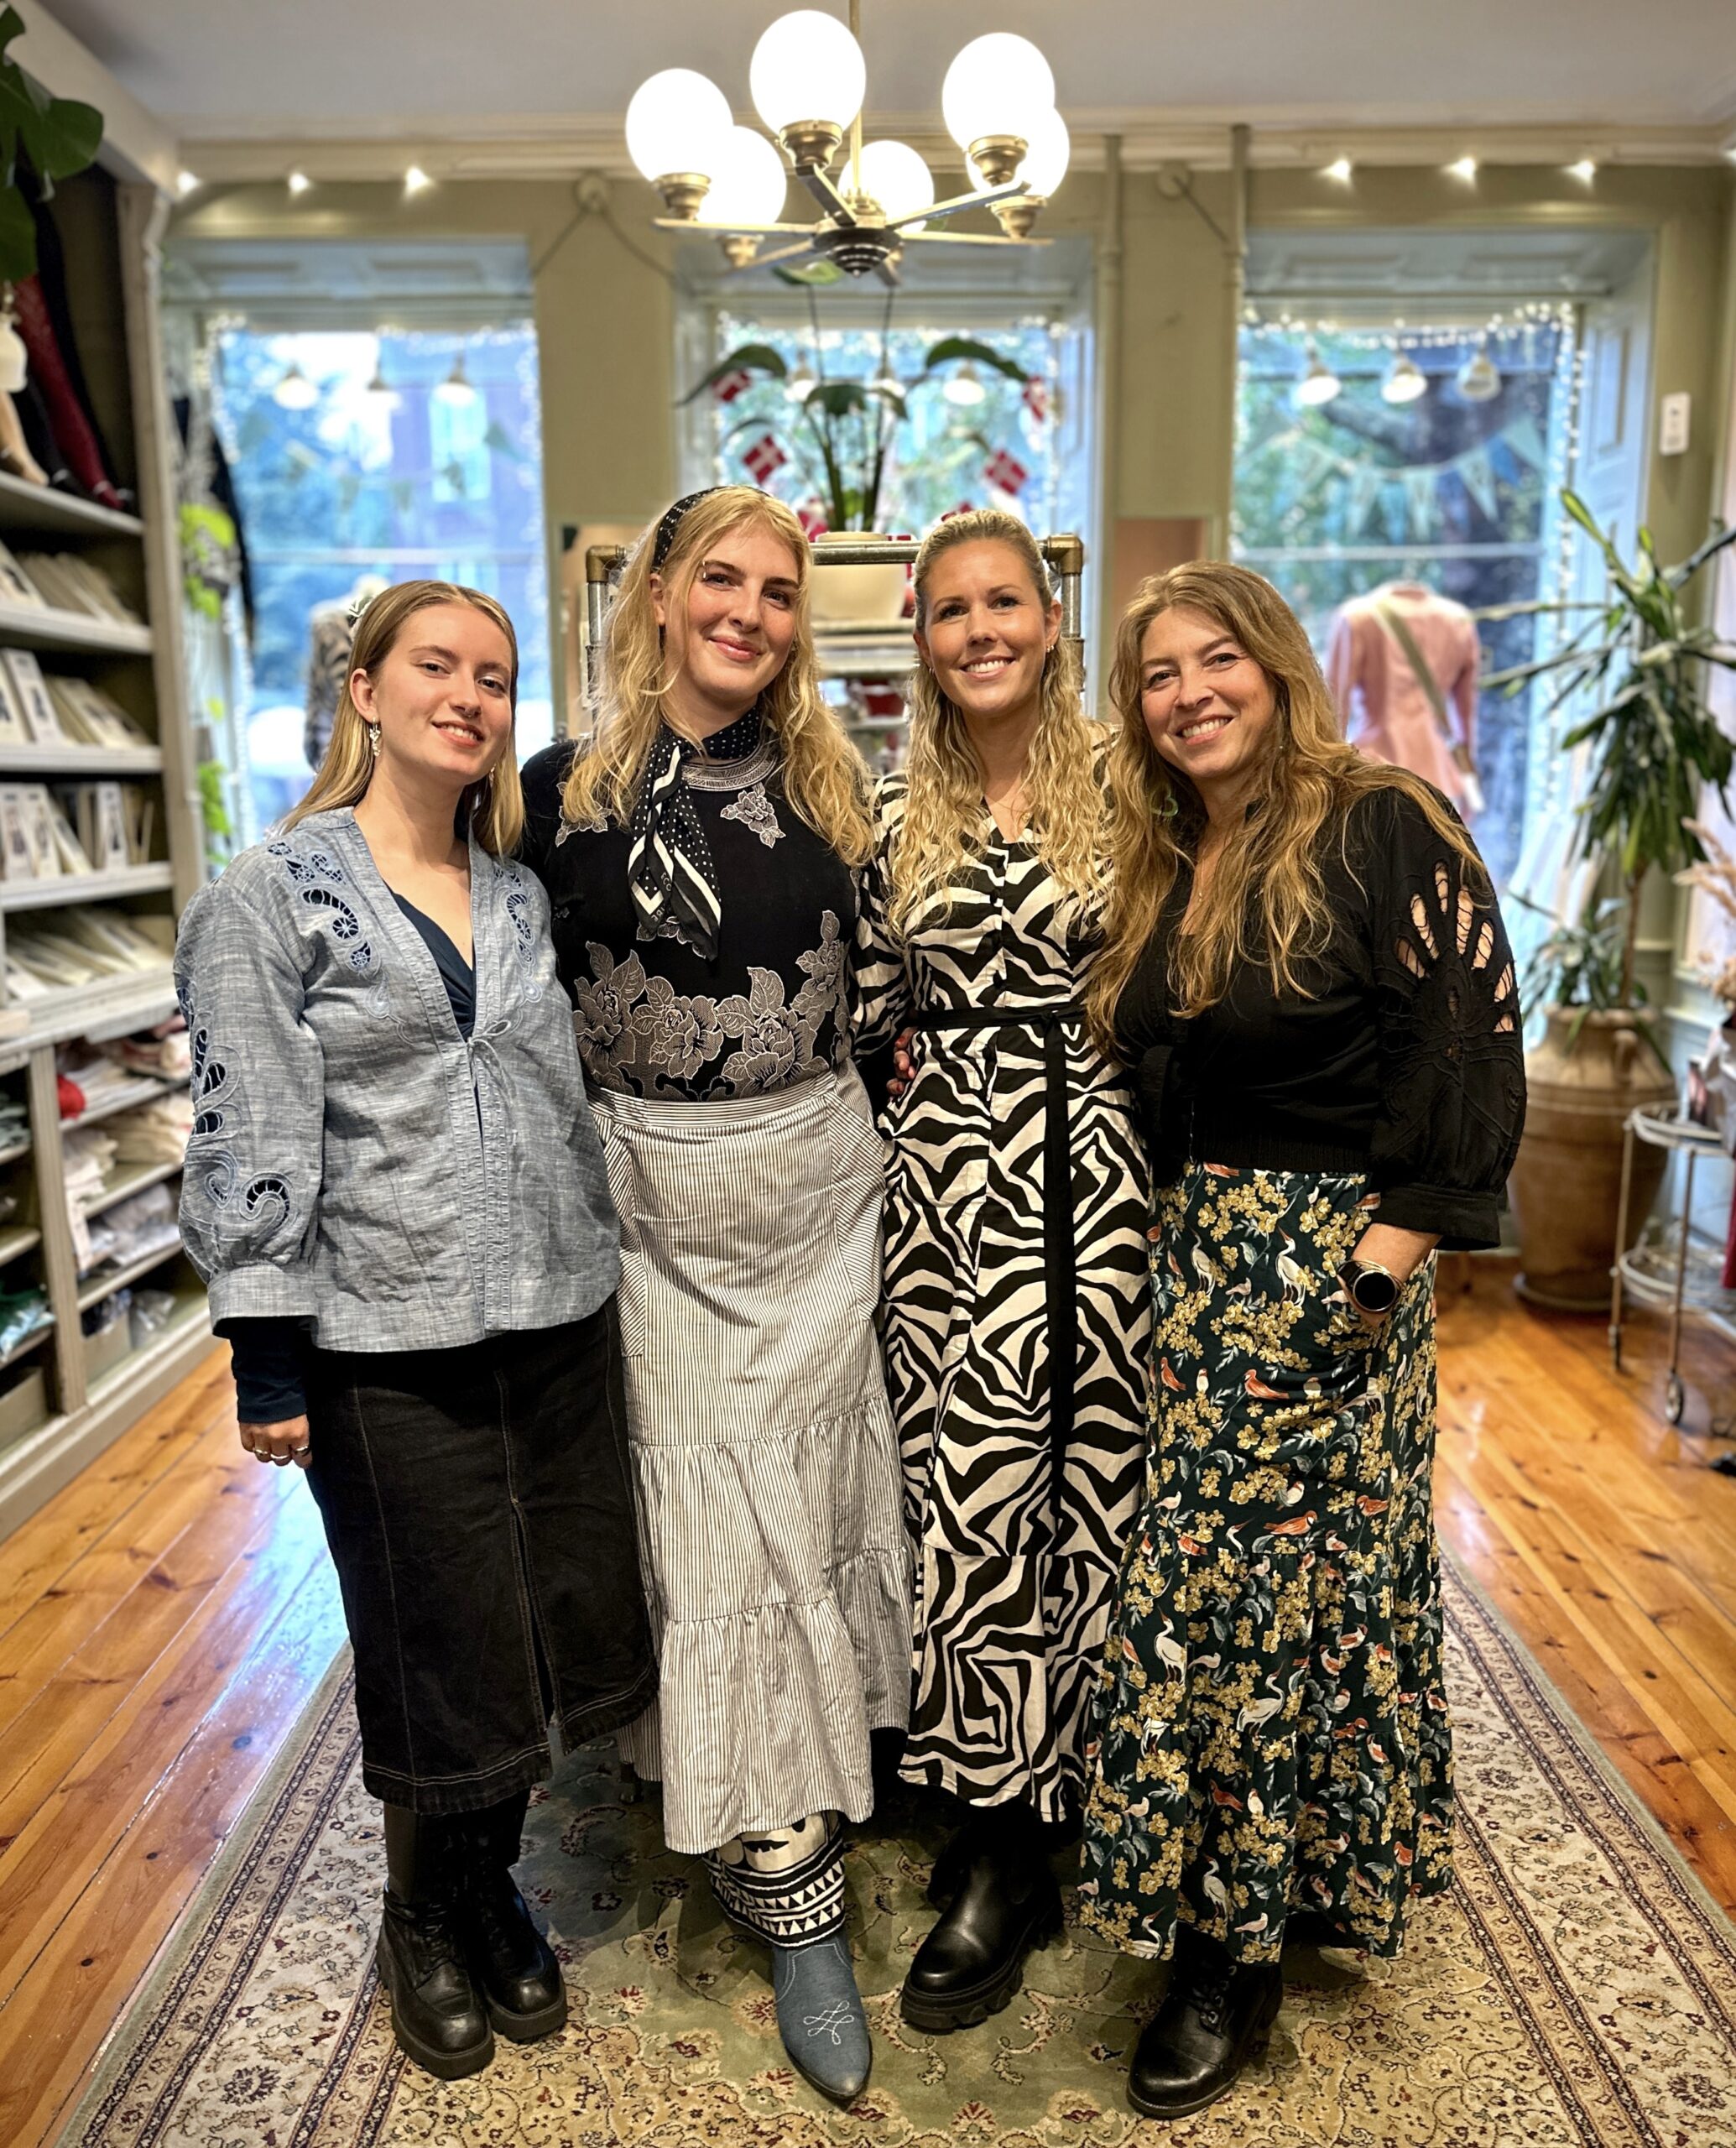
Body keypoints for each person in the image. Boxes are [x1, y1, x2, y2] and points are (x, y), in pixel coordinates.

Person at [175, 581, 654, 2083]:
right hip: (383, 1339)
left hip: (554, 1316)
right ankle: (422, 1915)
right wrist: (267, 1357)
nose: (468, 697)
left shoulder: (514, 893)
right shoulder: (272, 895)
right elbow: (249, 1126)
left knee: (537, 1630)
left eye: (493, 677)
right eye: (436, 667)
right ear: (365, 691)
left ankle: (484, 1884)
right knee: (433, 1635)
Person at [1076, 561, 1525, 2119]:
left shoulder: (1381, 819)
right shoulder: (1170, 850)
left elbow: (1467, 1035)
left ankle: (1229, 1955)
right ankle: (1287, 1879)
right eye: (1156, 675)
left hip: (1332, 1260)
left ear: (1274, 666)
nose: (1188, 693)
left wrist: (1372, 1279)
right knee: (1235, 1592)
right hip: (1199, 1262)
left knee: (1258, 1606)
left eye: (1217, 660)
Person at [519, 487, 910, 2104]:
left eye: (778, 590)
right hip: (647, 1213)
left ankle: (800, 1806)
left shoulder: (839, 789)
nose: (748, 612)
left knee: (802, 1518)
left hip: (812, 1202)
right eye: (720, 581)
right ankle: (779, 1872)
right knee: (709, 1532)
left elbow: (881, 998)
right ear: (661, 596)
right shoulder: (552, 796)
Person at [853, 508, 1151, 2032]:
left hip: (1098, 1172)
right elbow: (857, 1009)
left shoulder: (1132, 786)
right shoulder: (885, 807)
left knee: (1089, 1488)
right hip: (945, 1189)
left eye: (1003, 604)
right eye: (950, 610)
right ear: (921, 637)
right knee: (961, 1496)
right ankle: (988, 1816)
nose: (979, 630)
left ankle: (1063, 1801)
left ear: (1049, 619)